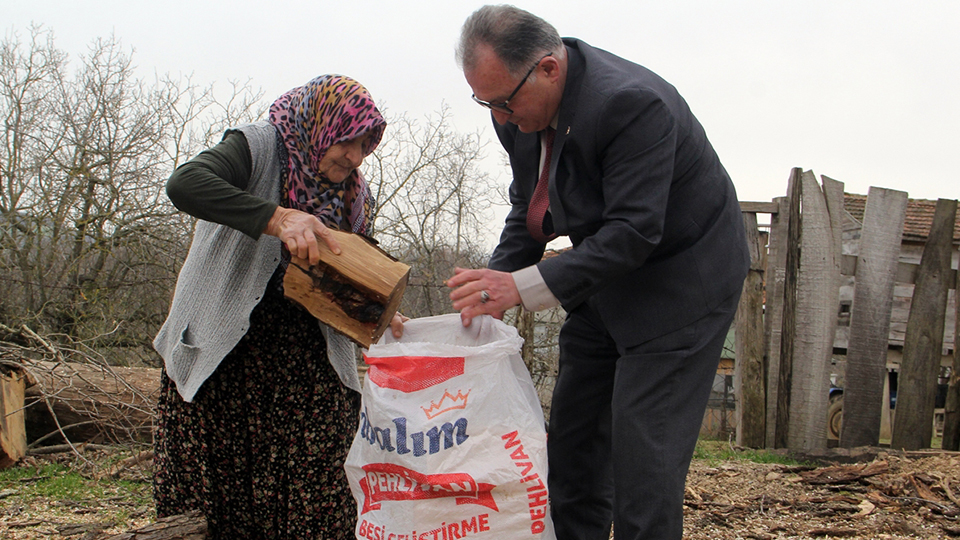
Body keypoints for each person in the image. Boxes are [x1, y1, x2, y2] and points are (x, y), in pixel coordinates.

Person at [447, 6, 750, 540]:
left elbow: (633, 232)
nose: (499, 117)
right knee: (575, 445)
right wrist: (489, 292)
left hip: (680, 284)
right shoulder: (516, 112)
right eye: (485, 102)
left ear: (548, 69)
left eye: (503, 102)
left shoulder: (631, 105)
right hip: (603, 279)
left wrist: (518, 287)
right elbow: (530, 209)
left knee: (644, 461)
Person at [152, 75, 404, 539]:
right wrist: (277, 217)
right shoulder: (258, 146)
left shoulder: (353, 196)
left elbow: (347, 276)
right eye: (347, 141)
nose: (354, 157)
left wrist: (379, 309)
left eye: (365, 147)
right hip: (223, 357)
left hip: (306, 366)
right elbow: (184, 184)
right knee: (217, 509)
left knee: (319, 504)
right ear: (322, 126)